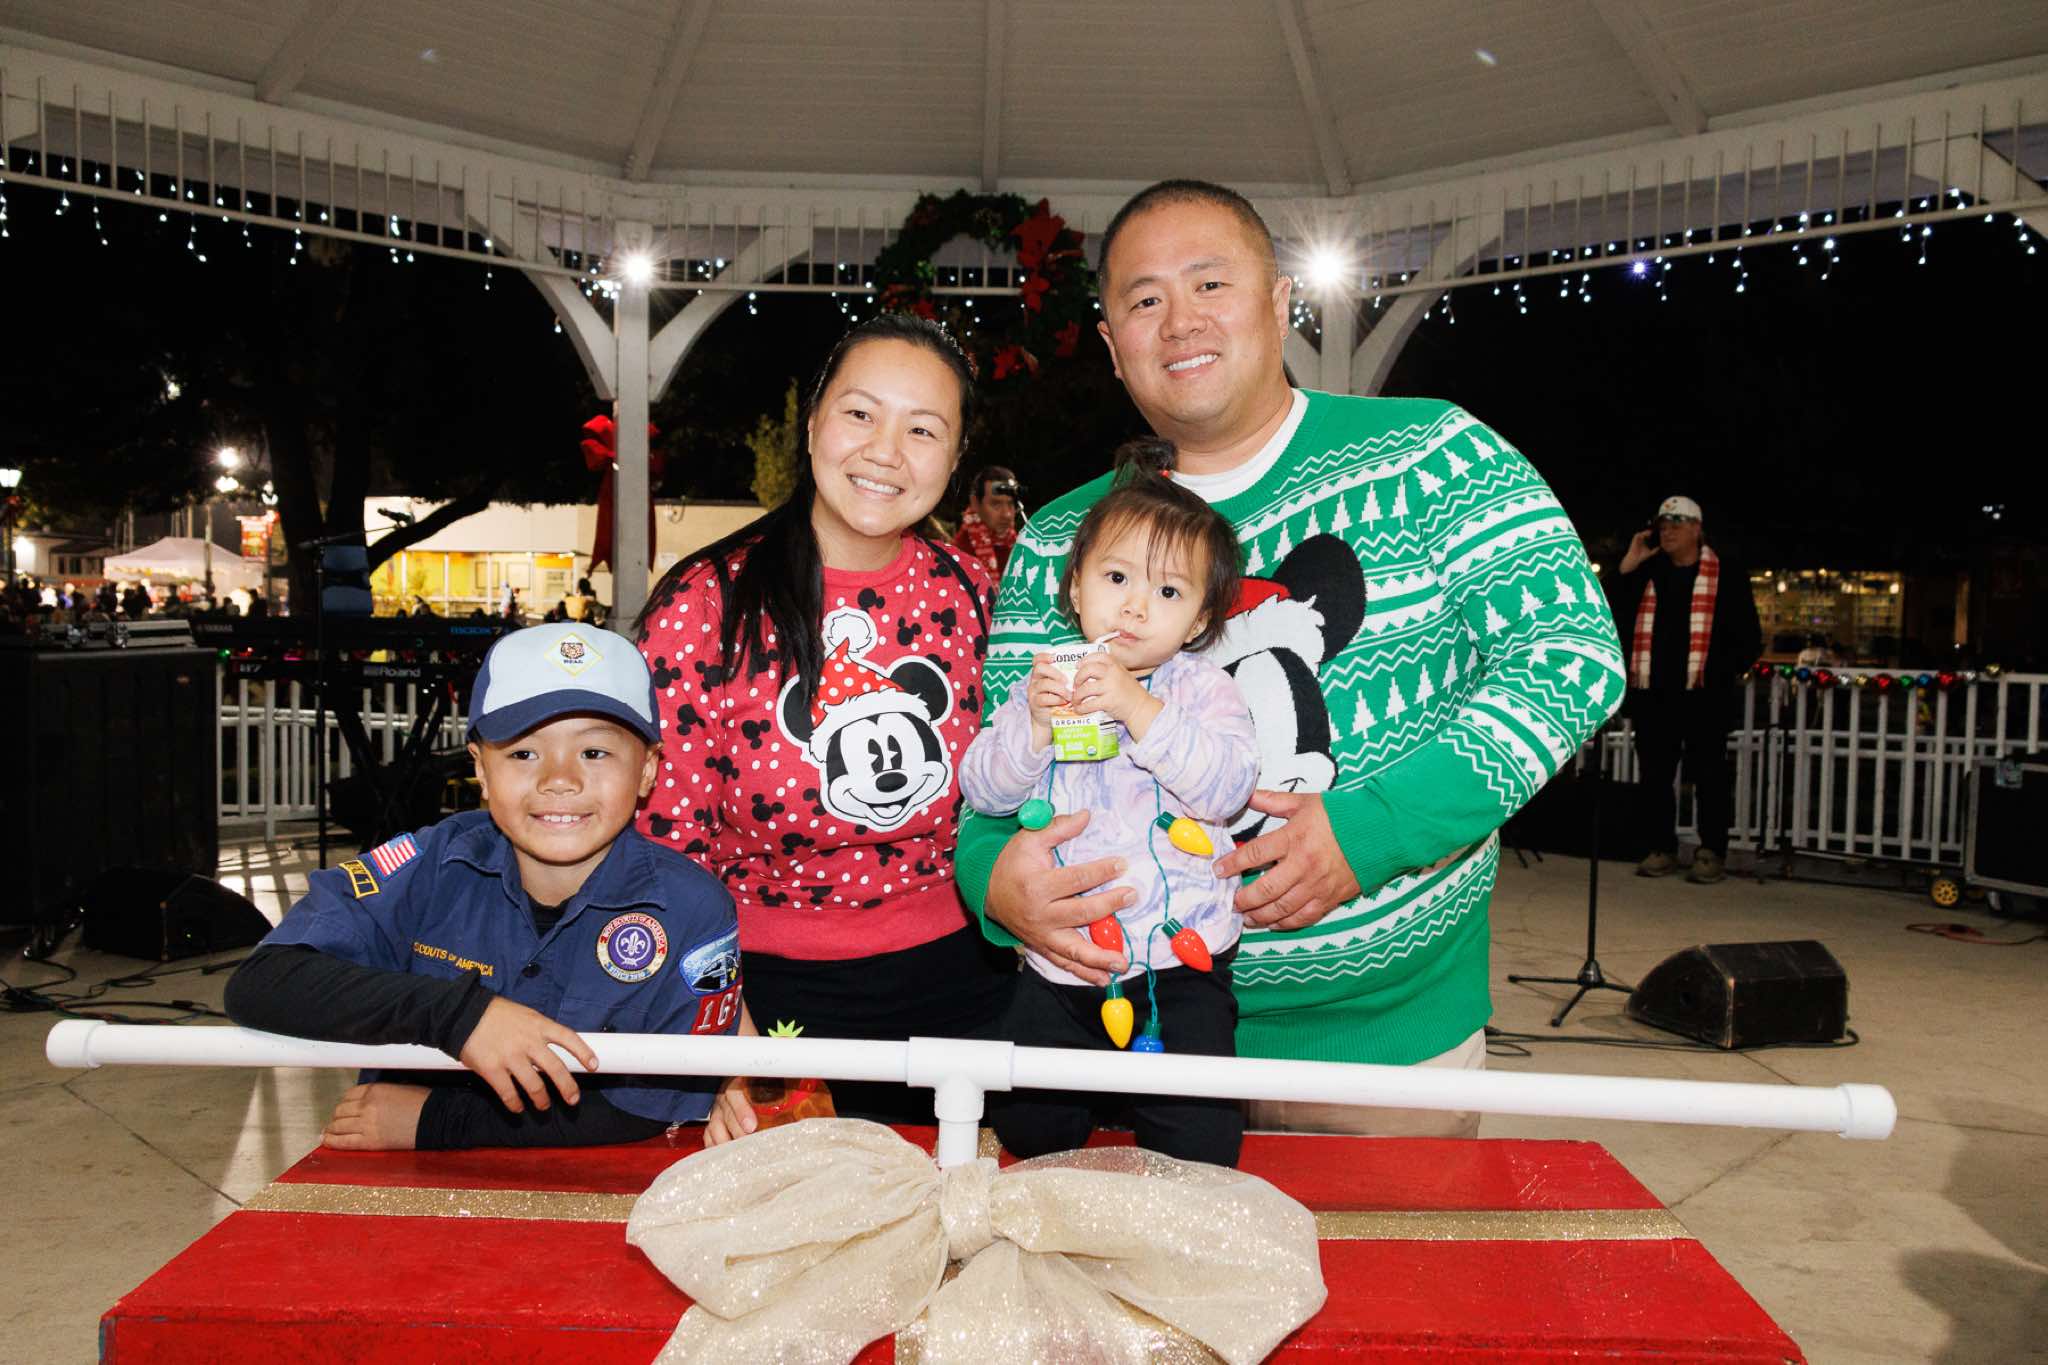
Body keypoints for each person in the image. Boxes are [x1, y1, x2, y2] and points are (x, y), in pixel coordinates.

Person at [955, 179, 1625, 1139]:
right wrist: (995, 882)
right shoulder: (1059, 540)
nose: (1179, 321)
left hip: (1379, 1056)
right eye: (1144, 299)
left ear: (1279, 301)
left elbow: (1572, 658)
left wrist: (1373, 831)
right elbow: (992, 775)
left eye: (1210, 283)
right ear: (1111, 342)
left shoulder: (1432, 456)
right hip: (1103, 1043)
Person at [635, 312, 1011, 1141]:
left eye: (923, 429)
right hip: (763, 996)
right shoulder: (706, 606)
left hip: (964, 981)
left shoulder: (977, 597)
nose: (886, 451)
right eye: (860, 413)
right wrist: (715, 1028)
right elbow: (663, 850)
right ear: (811, 426)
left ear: (954, 460)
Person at [223, 622, 747, 1150]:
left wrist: (435, 1120)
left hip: (591, 1182)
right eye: (523, 754)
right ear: (480, 768)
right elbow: (263, 983)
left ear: (648, 770)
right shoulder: (428, 867)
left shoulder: (692, 909)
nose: (559, 780)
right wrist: (460, 1015)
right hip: (406, 1185)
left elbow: (647, 1106)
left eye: (594, 753)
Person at [960, 437, 1256, 1165]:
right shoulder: (1045, 681)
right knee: (1030, 1132)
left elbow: (1229, 789)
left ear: (1198, 621)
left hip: (1180, 963)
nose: (1135, 605)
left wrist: (1139, 709)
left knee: (1201, 1148)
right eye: (1117, 576)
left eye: (1168, 592)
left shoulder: (1206, 690)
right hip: (1063, 963)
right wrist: (1032, 728)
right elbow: (983, 789)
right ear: (1075, 591)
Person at [1604, 495, 1763, 885]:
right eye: (1663, 524)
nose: (1667, 530)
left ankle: (1712, 851)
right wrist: (1627, 564)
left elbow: (1749, 638)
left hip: (1704, 696)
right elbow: (1606, 611)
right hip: (1654, 696)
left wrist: (1719, 674)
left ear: (1697, 529)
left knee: (1709, 775)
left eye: (1677, 523)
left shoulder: (1726, 574)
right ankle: (1661, 848)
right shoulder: (1646, 571)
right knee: (1655, 777)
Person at [952, 465, 1021, 576]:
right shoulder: (959, 553)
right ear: (975, 503)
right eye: (996, 504)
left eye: (1011, 504)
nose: (1007, 514)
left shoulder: (1017, 543)